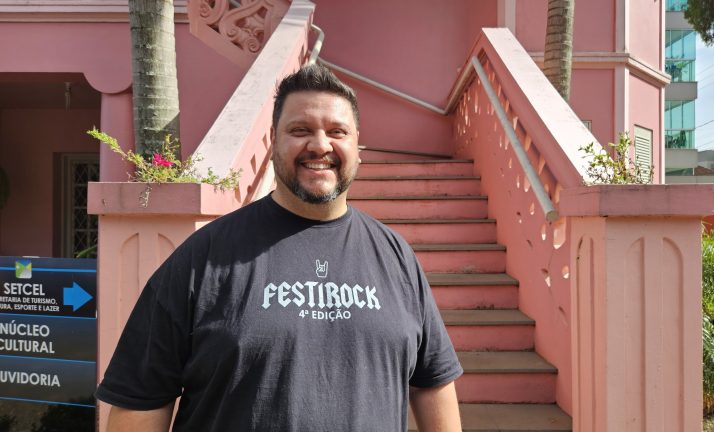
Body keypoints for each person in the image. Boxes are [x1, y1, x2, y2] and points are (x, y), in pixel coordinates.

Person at [95, 64, 463, 431]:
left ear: (357, 147)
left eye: (337, 131)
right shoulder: (202, 258)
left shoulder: (396, 257)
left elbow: (432, 384)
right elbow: (140, 402)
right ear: (273, 141)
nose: (320, 145)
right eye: (300, 130)